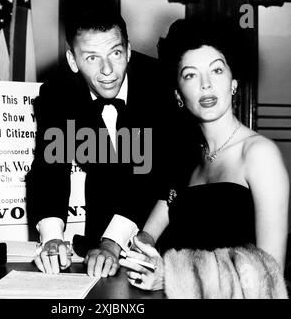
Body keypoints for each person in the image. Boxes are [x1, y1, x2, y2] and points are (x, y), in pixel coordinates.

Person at [119, 19, 289, 297]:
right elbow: (146, 237)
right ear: (178, 95)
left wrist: (172, 277)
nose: (206, 84)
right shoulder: (187, 157)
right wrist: (137, 255)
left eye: (217, 70)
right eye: (190, 75)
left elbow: (269, 277)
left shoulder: (259, 154)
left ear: (233, 83)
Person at [26, 4, 195, 277]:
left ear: (128, 50)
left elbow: (156, 175)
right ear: (72, 60)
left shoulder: (161, 85)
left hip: (162, 239)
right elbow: (49, 168)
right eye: (91, 58)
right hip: (97, 241)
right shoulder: (58, 93)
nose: (107, 70)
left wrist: (113, 241)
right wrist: (52, 238)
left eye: (115, 53)